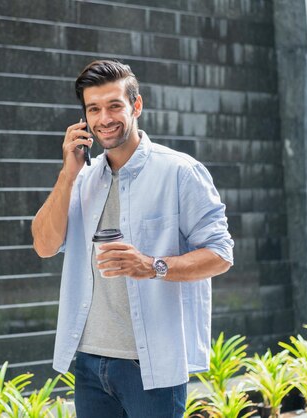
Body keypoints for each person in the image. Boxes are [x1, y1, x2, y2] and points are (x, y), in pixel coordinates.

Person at [31, 60, 234, 418]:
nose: (104, 118)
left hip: (150, 365)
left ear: (136, 106)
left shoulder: (179, 172)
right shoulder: (82, 178)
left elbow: (220, 254)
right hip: (90, 363)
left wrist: (152, 266)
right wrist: (68, 173)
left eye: (114, 106)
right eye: (93, 109)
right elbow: (45, 245)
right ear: (84, 119)